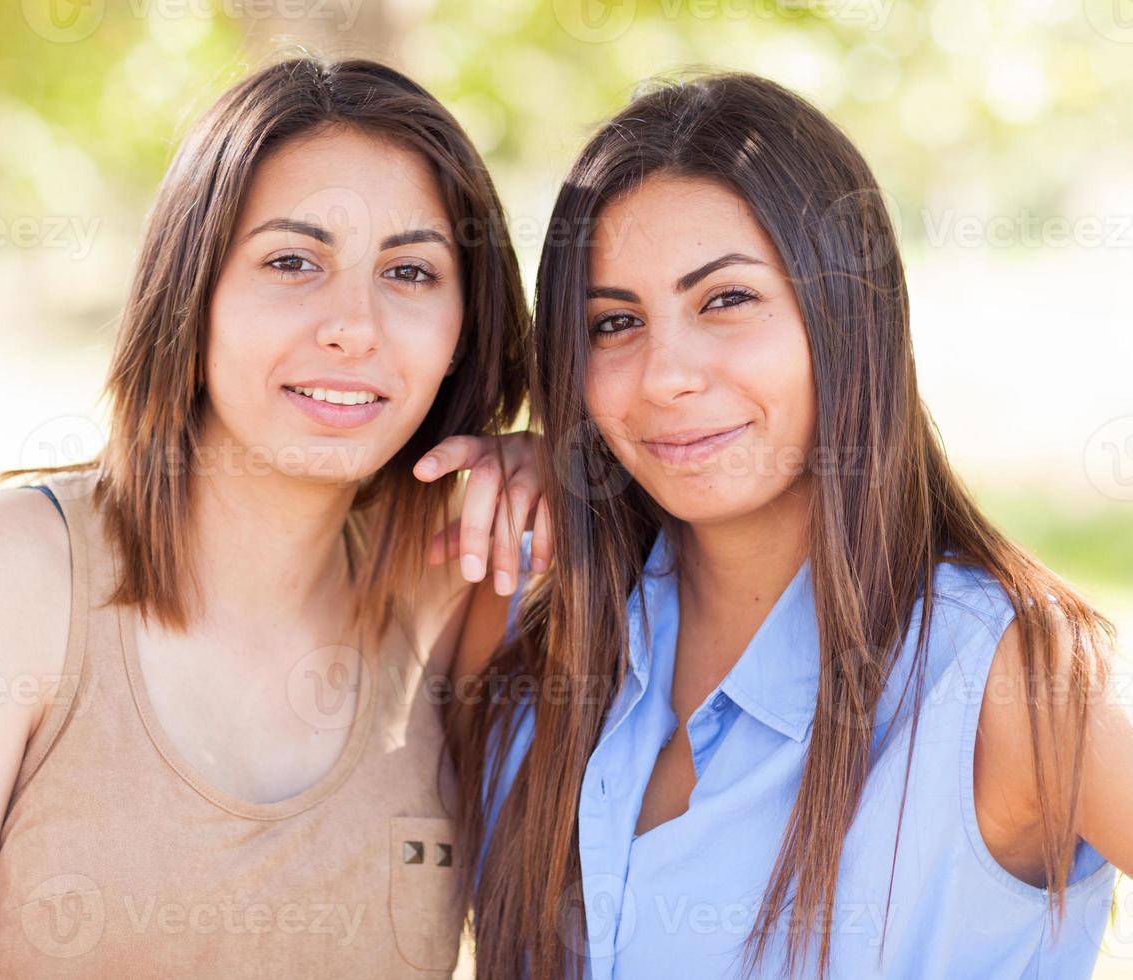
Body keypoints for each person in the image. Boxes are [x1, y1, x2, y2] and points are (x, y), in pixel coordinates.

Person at [0, 56, 551, 978]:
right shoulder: (4, 583)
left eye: (410, 271)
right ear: (190, 289)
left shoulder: (454, 589)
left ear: (462, 330)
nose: (354, 324)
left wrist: (557, 465)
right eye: (293, 260)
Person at [451, 72, 1126, 979]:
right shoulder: (530, 629)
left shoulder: (1014, 677)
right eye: (615, 322)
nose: (665, 376)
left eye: (726, 300)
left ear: (850, 313)